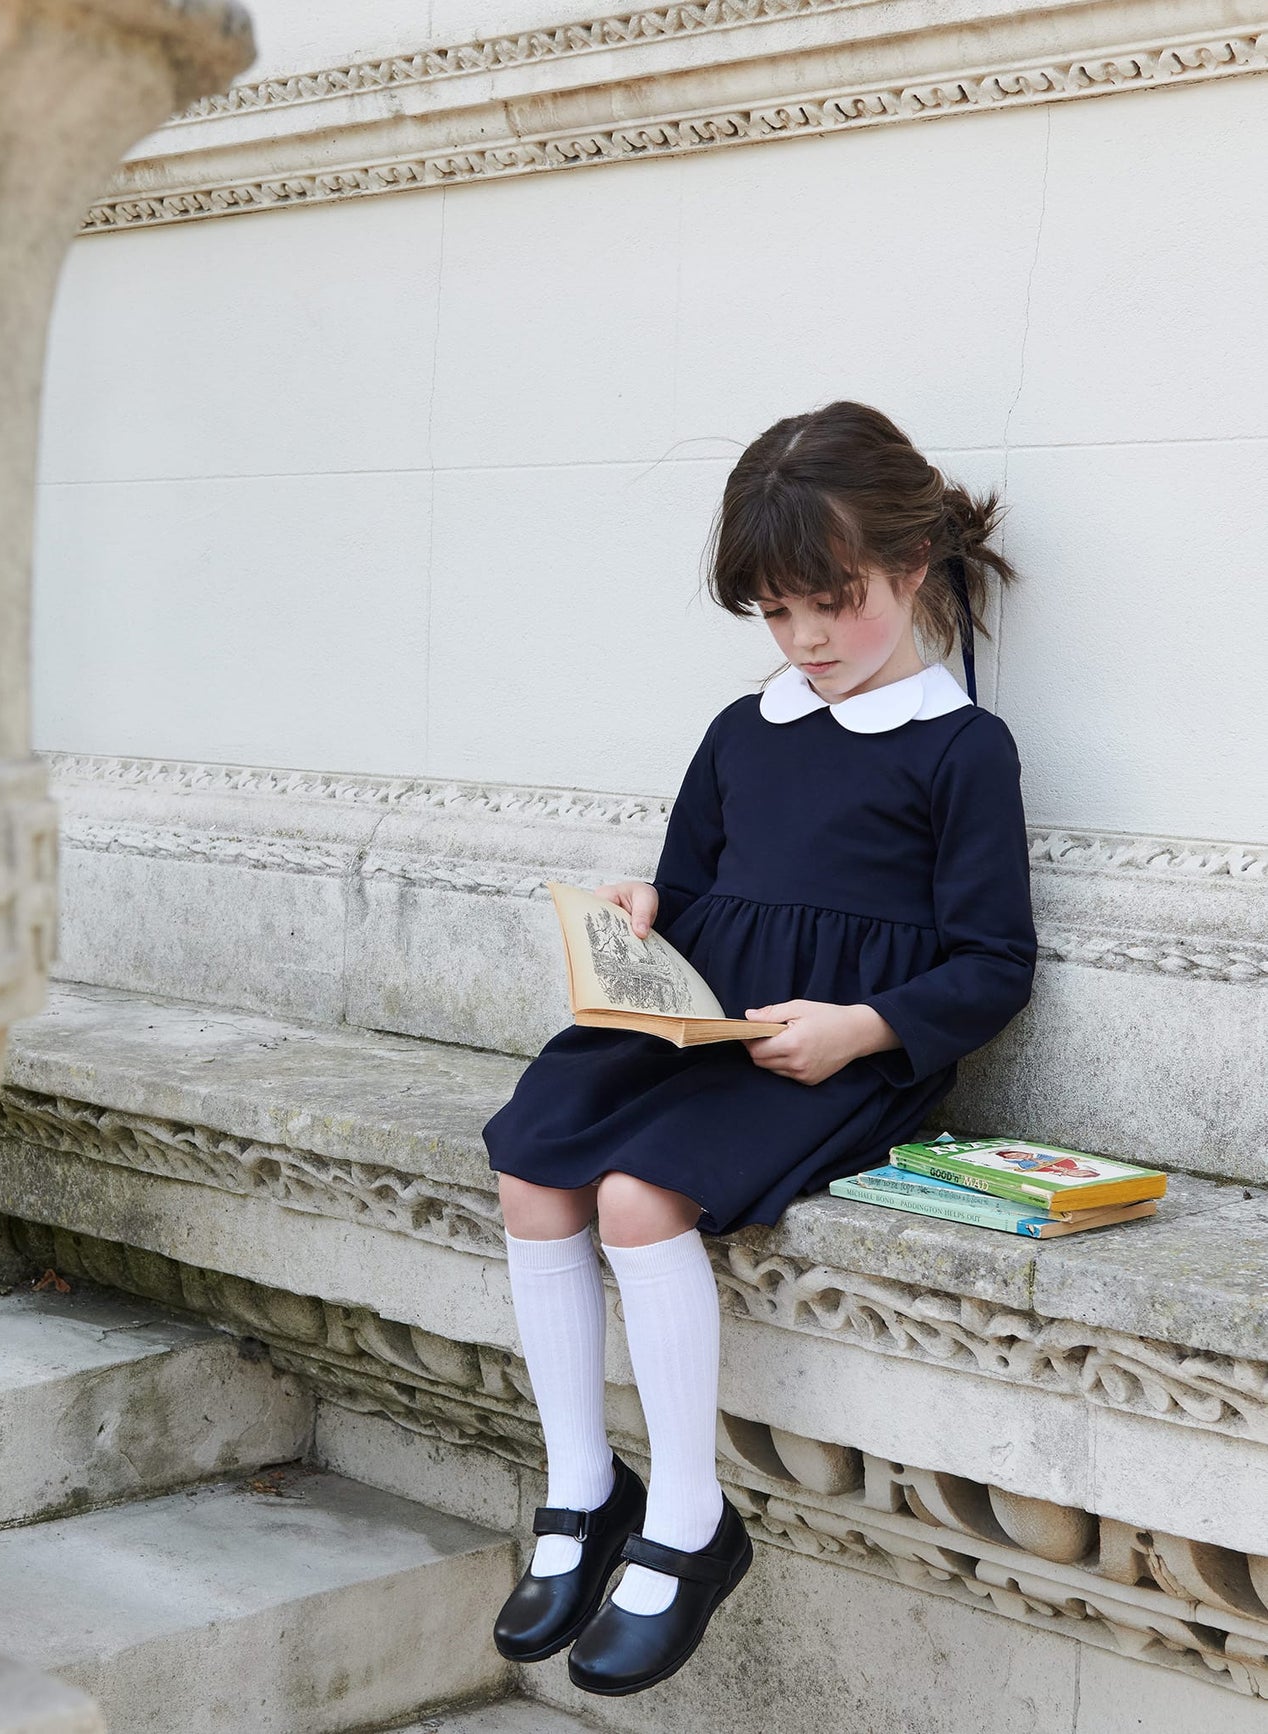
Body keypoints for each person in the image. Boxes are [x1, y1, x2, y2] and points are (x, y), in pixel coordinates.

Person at [482, 400, 1039, 1696]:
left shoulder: (961, 750)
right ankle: (581, 1480)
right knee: (531, 1163)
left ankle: (687, 1514)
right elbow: (683, 879)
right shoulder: (744, 729)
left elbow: (994, 960)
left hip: (836, 1055)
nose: (805, 640)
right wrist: (640, 911)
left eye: (830, 605)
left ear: (907, 569)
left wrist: (866, 1026)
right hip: (709, 1023)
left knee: (635, 1193)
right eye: (779, 614)